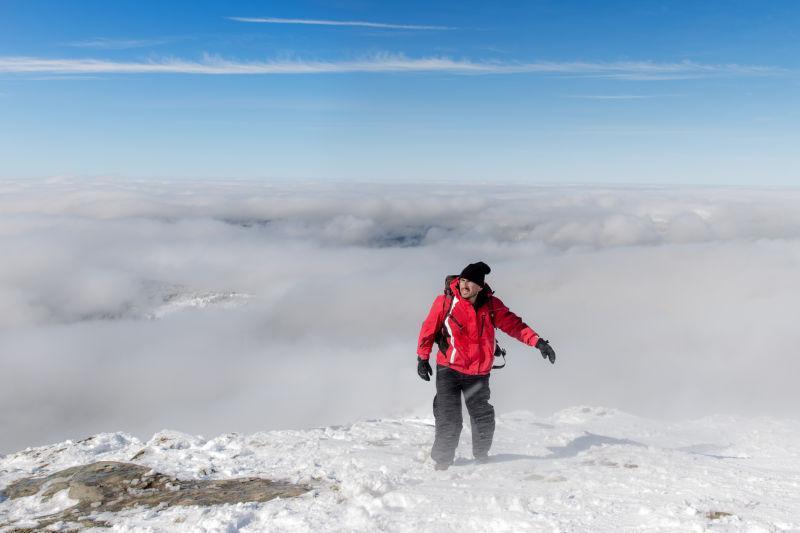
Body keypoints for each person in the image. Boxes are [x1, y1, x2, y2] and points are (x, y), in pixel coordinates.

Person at [416, 261, 556, 470]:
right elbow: (428, 328)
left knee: (482, 417)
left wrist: (538, 342)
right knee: (449, 419)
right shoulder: (446, 302)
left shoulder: (491, 305)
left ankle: (482, 457)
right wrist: (422, 358)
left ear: (480, 287)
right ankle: (442, 463)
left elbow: (515, 325)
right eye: (462, 280)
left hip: (478, 373)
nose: (464, 285)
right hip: (449, 369)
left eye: (470, 282)